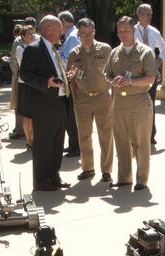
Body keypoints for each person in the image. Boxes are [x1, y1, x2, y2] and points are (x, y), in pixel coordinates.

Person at [105, 16, 157, 191]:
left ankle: (141, 179)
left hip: (139, 103)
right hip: (119, 103)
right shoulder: (114, 53)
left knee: (141, 143)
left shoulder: (145, 52)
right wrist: (111, 81)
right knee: (121, 142)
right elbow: (107, 74)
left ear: (134, 30)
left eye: (126, 31)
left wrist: (130, 82)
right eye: (119, 31)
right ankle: (124, 177)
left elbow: (150, 78)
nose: (122, 34)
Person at [20, 15, 69, 192]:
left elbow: (55, 71)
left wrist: (65, 78)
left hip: (59, 102)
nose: (62, 32)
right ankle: (41, 181)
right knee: (44, 144)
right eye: (59, 29)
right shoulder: (34, 49)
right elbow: (25, 74)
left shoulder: (53, 49)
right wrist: (46, 83)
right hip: (44, 105)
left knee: (57, 143)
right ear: (48, 29)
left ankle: (54, 177)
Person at [67, 18, 113, 184]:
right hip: (83, 99)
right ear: (79, 34)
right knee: (84, 136)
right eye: (83, 34)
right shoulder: (74, 53)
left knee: (106, 135)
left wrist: (111, 95)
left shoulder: (106, 49)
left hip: (102, 97)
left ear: (94, 32)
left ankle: (106, 170)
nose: (86, 37)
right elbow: (71, 78)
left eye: (90, 33)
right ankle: (88, 168)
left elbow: (113, 72)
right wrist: (75, 98)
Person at [135, 4, 165, 145]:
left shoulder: (154, 31)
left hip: (151, 73)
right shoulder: (132, 30)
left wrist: (160, 59)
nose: (150, 17)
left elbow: (164, 48)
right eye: (147, 14)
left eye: (151, 14)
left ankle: (151, 135)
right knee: (136, 104)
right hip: (137, 74)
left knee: (150, 104)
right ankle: (136, 135)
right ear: (139, 15)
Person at [58, 11, 80, 157]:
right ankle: (73, 144)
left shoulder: (72, 37)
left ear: (64, 21)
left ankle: (75, 146)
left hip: (70, 80)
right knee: (69, 114)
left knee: (70, 115)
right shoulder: (71, 36)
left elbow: (69, 61)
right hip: (70, 79)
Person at [15, 24, 36, 149]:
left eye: (33, 33)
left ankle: (33, 137)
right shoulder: (21, 48)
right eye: (29, 33)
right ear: (23, 36)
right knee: (27, 114)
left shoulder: (34, 46)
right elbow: (27, 65)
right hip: (25, 84)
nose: (32, 35)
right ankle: (29, 140)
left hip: (34, 84)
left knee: (34, 113)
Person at [8, 23, 25, 140]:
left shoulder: (17, 41)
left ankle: (19, 129)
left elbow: (13, 61)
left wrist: (16, 74)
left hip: (20, 76)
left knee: (18, 103)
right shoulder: (37, 38)